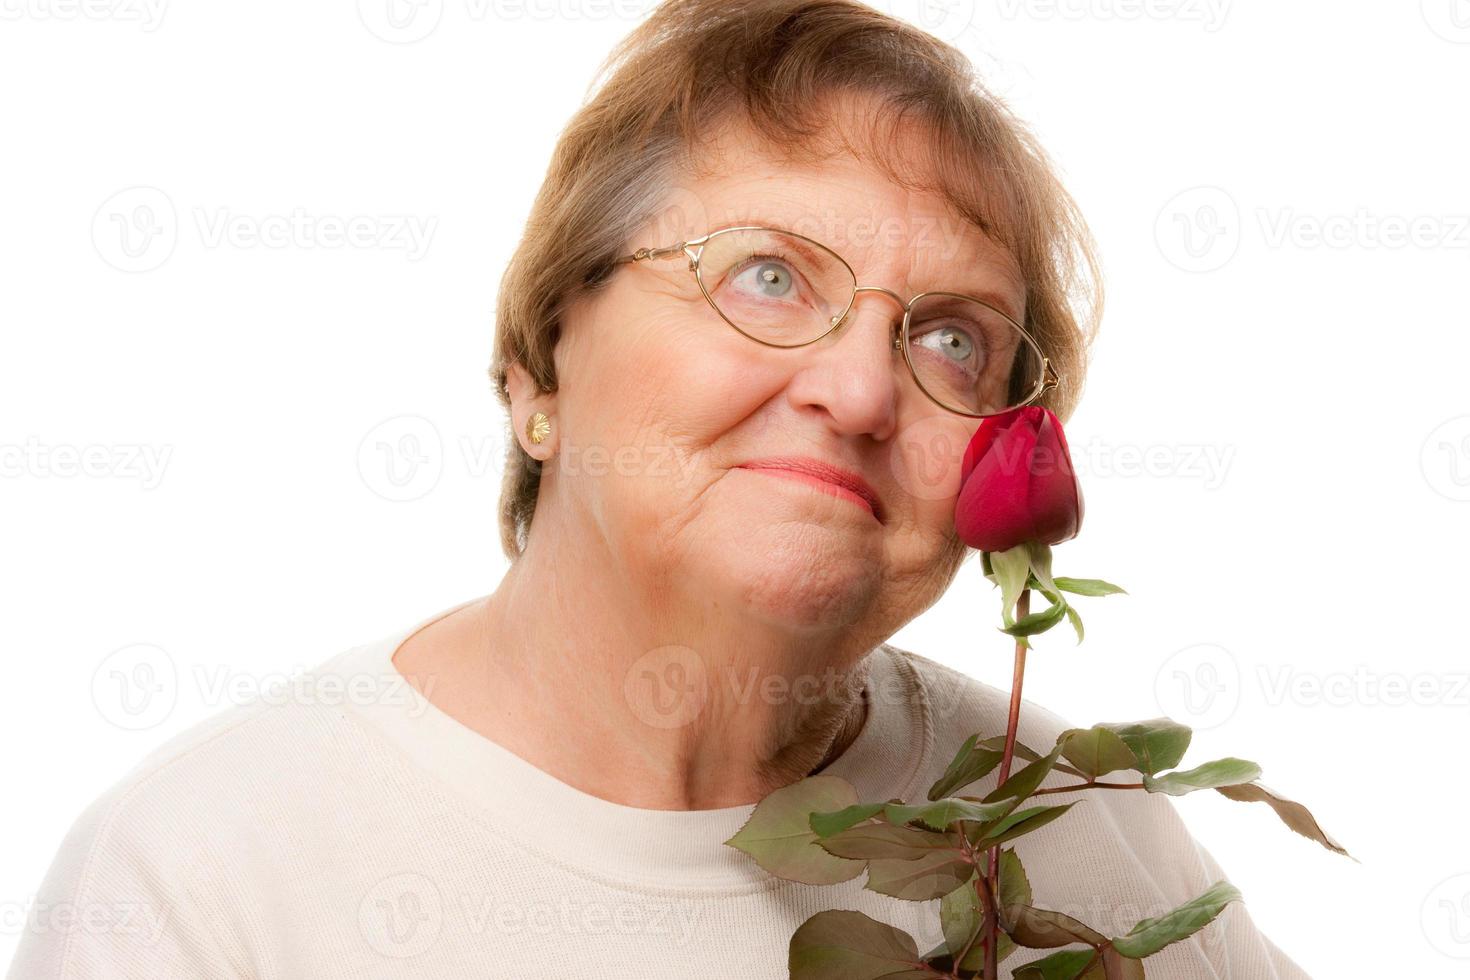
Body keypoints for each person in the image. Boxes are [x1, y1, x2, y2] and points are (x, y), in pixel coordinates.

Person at [7, 0, 1310, 976]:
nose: (859, 395)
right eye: (767, 274)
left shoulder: (1097, 841)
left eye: (951, 337)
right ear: (537, 367)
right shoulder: (198, 878)